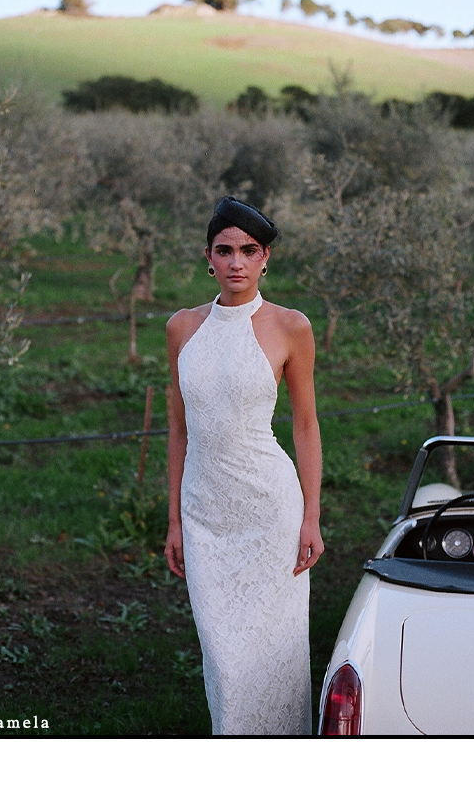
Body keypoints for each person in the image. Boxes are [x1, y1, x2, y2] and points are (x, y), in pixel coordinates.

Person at [165, 196, 324, 736]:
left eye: (249, 251)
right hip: (204, 512)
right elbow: (179, 429)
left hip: (270, 509)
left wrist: (311, 518)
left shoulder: (291, 326)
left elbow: (306, 425)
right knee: (224, 660)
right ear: (208, 257)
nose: (237, 262)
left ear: (265, 258)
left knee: (275, 650)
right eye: (225, 250)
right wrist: (174, 520)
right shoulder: (182, 327)